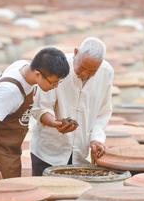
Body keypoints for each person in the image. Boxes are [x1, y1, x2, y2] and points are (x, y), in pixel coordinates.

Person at [0, 48, 70, 183]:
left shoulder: (24, 67)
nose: (55, 87)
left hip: (10, 149)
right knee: (2, 198)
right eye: (53, 82)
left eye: (58, 83)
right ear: (38, 74)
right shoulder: (10, 91)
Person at [31, 37, 114, 176]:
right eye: (82, 68)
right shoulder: (56, 67)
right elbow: (41, 108)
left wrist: (97, 139)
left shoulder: (106, 72)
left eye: (92, 71)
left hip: (80, 156)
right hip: (48, 154)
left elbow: (102, 113)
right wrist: (55, 123)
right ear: (76, 53)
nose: (85, 74)